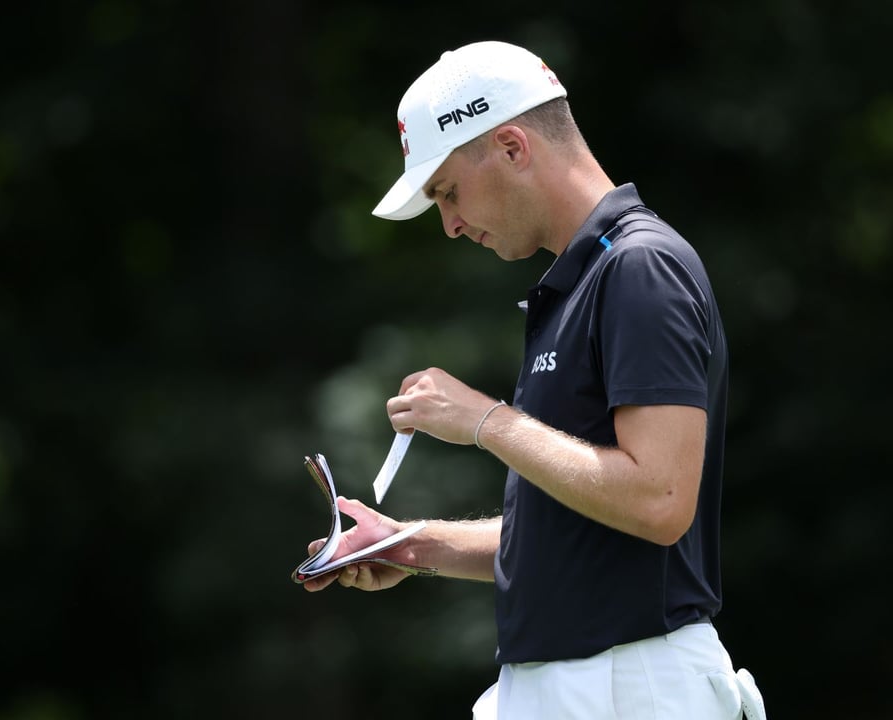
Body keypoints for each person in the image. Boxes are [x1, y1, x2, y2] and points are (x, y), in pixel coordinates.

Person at [303, 40, 767, 720]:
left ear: (514, 148)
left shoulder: (638, 267)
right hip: (590, 683)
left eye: (448, 191)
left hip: (629, 685)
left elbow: (660, 500)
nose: (451, 224)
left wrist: (485, 421)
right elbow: (573, 531)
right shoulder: (583, 283)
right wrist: (409, 544)